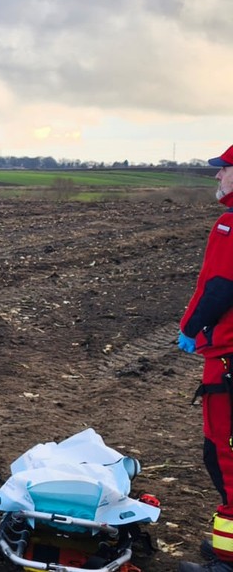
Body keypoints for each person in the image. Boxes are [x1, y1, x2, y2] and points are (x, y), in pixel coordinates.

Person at [177, 144, 233, 572]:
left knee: (224, 453)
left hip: (228, 362)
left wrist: (190, 329)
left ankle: (227, 560)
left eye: (224, 169)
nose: (218, 177)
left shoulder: (230, 226)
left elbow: (220, 287)